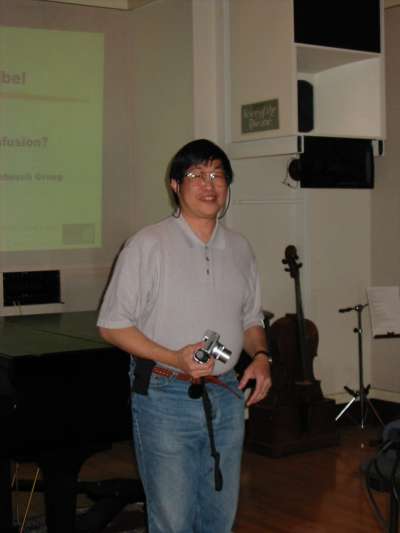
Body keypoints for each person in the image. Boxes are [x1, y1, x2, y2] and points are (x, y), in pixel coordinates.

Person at [97, 138, 271, 533]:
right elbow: (112, 324)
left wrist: (261, 357)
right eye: (196, 174)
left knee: (219, 518)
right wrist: (174, 357)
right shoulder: (147, 244)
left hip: (226, 395)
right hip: (165, 396)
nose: (209, 184)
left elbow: (250, 318)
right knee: (172, 521)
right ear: (175, 185)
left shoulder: (240, 248)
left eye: (217, 175)